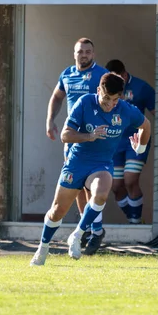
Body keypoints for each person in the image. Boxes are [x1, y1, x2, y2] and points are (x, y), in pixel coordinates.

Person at [31, 73, 151, 265]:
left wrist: (140, 148)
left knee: (102, 192)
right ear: (98, 91)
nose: (110, 104)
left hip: (101, 163)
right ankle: (42, 249)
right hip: (77, 162)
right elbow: (65, 135)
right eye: (106, 98)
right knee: (57, 211)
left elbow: (146, 125)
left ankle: (77, 235)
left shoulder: (125, 109)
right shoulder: (85, 102)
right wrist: (90, 136)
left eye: (115, 99)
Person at [45, 37, 109, 231]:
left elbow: (114, 101)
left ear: (94, 54)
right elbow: (56, 97)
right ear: (74, 54)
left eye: (88, 51)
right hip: (73, 138)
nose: (84, 55)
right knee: (78, 184)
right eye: (80, 51)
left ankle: (94, 227)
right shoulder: (67, 74)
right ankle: (86, 227)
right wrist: (50, 120)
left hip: (95, 137)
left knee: (93, 184)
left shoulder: (102, 75)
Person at [105, 59, 155, 224]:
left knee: (130, 180)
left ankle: (135, 222)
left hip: (137, 140)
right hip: (115, 143)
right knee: (116, 186)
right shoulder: (105, 89)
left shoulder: (141, 87)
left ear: (125, 74)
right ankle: (134, 220)